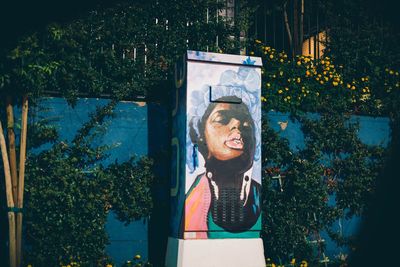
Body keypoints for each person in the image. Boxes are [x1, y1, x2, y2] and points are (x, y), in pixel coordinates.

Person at [184, 95, 261, 238]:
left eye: (246, 124)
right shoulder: (193, 200)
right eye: (222, 120)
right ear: (201, 136)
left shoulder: (258, 194)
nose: (237, 126)